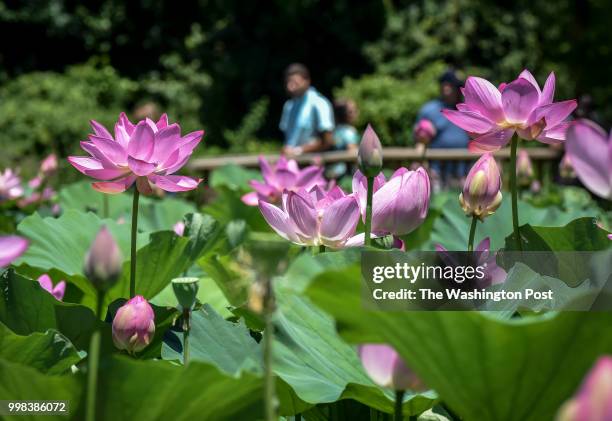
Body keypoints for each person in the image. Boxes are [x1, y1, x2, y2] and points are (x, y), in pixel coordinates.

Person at [414, 70, 469, 188]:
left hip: (464, 171)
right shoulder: (430, 110)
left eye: (451, 85)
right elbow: (420, 142)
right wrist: (419, 164)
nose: (447, 88)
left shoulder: (468, 109)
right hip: (437, 171)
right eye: (444, 84)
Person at [279, 63, 335, 156]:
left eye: (295, 82)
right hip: (291, 164)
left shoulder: (319, 103)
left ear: (307, 81)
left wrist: (298, 150)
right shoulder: (288, 106)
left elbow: (327, 141)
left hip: (313, 165)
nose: (290, 87)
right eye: (288, 82)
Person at [328, 99, 359, 178]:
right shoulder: (349, 132)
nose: (356, 113)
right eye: (352, 111)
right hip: (345, 175)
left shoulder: (333, 131)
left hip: (331, 173)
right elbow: (353, 153)